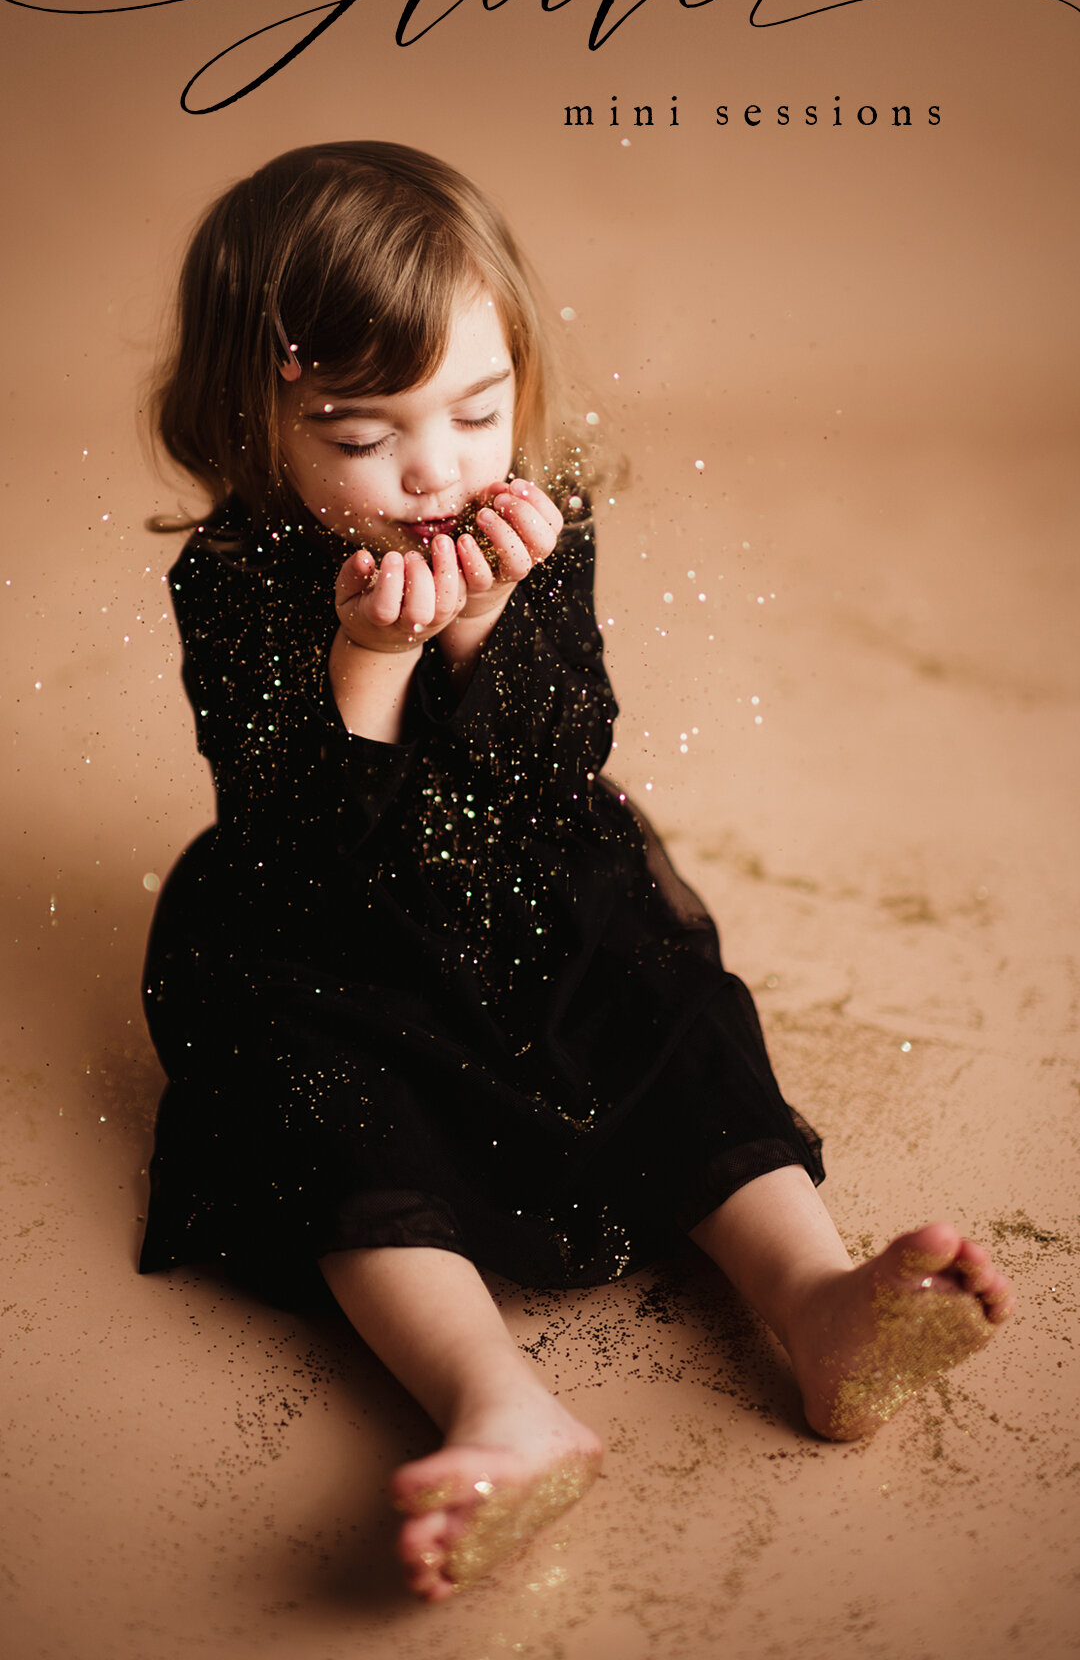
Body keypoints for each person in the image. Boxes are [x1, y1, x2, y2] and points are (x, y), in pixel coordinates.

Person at [140, 140, 1014, 1603]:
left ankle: (812, 1300)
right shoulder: (235, 579)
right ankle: (495, 1403)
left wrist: (488, 620)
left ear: (520, 389)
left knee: (673, 1019)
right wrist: (371, 656)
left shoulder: (530, 525)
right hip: (327, 941)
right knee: (332, 1119)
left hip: (540, 890)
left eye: (477, 412)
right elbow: (296, 837)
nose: (437, 469)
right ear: (258, 421)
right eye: (360, 435)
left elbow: (561, 756)